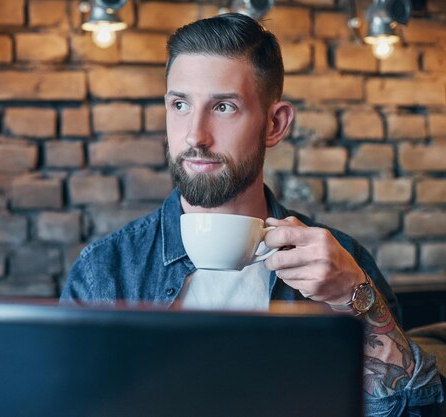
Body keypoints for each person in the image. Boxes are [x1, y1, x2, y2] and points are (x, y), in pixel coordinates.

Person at [61, 12, 444, 416]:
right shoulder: (104, 270)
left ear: (275, 124)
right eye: (180, 104)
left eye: (224, 106)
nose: (194, 135)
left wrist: (355, 297)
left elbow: (413, 412)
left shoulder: (341, 263)